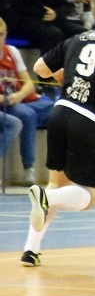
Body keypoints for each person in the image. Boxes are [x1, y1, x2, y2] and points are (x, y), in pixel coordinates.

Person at [21, 0, 95, 267]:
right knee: (88, 197)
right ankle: (46, 198)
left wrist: (59, 76)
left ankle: (31, 248)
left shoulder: (79, 38)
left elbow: (39, 68)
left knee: (57, 182)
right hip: (91, 120)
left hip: (60, 113)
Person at [0, 17, 54, 186]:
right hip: (6, 104)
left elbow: (29, 83)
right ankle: (28, 168)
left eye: (1, 34)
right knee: (27, 115)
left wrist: (20, 96)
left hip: (20, 98)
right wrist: (8, 99)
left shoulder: (12, 51)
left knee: (58, 108)